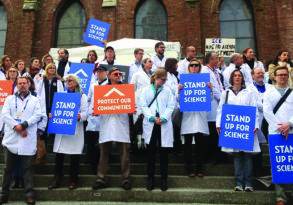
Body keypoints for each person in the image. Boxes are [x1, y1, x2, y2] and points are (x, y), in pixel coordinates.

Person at [216, 70, 260, 192]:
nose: (237, 77)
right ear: (231, 78)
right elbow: (220, 109)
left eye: (239, 75)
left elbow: (254, 109)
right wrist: (219, 124)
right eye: (235, 75)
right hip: (233, 128)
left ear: (242, 78)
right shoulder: (226, 93)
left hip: (246, 128)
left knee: (247, 156)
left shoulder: (249, 93)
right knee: (237, 156)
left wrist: (255, 124)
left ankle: (249, 183)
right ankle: (239, 183)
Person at [0, 76, 42, 205]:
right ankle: (4, 194)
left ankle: (29, 194)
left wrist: (24, 125)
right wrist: (16, 126)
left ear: (29, 84)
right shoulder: (9, 99)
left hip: (27, 138)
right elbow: (5, 114)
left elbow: (38, 115)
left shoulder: (35, 100)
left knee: (27, 169)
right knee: (8, 169)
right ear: (16, 85)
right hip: (11, 140)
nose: (22, 85)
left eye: (25, 83)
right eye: (20, 83)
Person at [92, 67, 132, 190]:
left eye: (120, 74)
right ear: (109, 76)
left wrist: (132, 110)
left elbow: (134, 106)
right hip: (106, 126)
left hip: (121, 125)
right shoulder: (101, 90)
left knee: (124, 154)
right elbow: (93, 107)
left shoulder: (127, 90)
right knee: (104, 153)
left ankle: (126, 179)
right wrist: (95, 111)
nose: (118, 75)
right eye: (115, 73)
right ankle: (101, 178)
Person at [48, 74, 88, 190]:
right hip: (62, 130)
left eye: (70, 81)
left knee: (74, 157)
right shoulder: (61, 96)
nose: (68, 82)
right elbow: (56, 110)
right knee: (59, 156)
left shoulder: (82, 96)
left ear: (76, 83)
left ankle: (73, 180)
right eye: (67, 81)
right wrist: (52, 115)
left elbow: (86, 113)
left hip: (75, 130)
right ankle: (57, 179)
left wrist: (81, 116)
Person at [140, 68, 175, 191]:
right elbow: (143, 105)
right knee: (151, 153)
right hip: (151, 123)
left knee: (164, 153)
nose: (163, 82)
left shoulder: (168, 90)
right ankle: (150, 179)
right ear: (156, 77)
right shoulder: (145, 90)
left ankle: (164, 179)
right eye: (162, 79)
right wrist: (151, 118)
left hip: (163, 123)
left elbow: (171, 105)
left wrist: (164, 118)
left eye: (165, 79)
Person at [263, 66, 293, 205]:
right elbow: (267, 112)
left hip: (291, 131)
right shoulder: (269, 93)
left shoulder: (292, 92)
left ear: (288, 76)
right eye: (280, 74)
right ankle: (280, 196)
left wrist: (289, 124)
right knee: (278, 163)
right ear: (274, 77)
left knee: (290, 163)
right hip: (276, 132)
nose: (282, 77)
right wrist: (280, 127)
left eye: (285, 74)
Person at [180, 59, 210, 177]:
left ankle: (200, 169)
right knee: (187, 145)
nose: (194, 67)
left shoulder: (205, 81)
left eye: (196, 65)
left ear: (199, 67)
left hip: (200, 117)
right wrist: (179, 91)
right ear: (188, 68)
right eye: (191, 65)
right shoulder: (183, 81)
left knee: (200, 145)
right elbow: (178, 102)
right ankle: (189, 169)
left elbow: (210, 100)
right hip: (188, 117)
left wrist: (209, 89)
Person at [247, 68, 270, 176]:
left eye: (262, 73)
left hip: (270, 120)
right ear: (252, 76)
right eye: (258, 73)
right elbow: (255, 104)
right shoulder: (249, 88)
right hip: (258, 119)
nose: (261, 74)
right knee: (258, 146)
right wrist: (266, 106)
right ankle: (257, 172)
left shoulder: (270, 87)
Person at [202, 52, 224, 163]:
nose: (218, 60)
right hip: (212, 105)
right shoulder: (205, 70)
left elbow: (220, 86)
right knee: (212, 132)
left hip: (218, 104)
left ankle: (218, 155)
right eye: (216, 58)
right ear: (211, 59)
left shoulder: (216, 71)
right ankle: (211, 157)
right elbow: (213, 88)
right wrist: (222, 99)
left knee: (217, 131)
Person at [86, 64, 108, 174]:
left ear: (106, 73)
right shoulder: (92, 85)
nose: (99, 73)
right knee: (91, 145)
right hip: (92, 118)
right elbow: (88, 100)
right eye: (97, 71)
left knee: (101, 146)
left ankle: (101, 168)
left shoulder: (109, 85)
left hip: (103, 120)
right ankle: (92, 166)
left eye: (101, 71)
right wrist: (89, 112)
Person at [131, 58, 153, 147]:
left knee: (148, 123)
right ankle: (137, 144)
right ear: (144, 63)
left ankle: (147, 143)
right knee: (138, 123)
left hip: (150, 103)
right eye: (149, 62)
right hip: (139, 102)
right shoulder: (137, 75)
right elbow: (132, 89)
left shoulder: (153, 75)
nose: (152, 63)